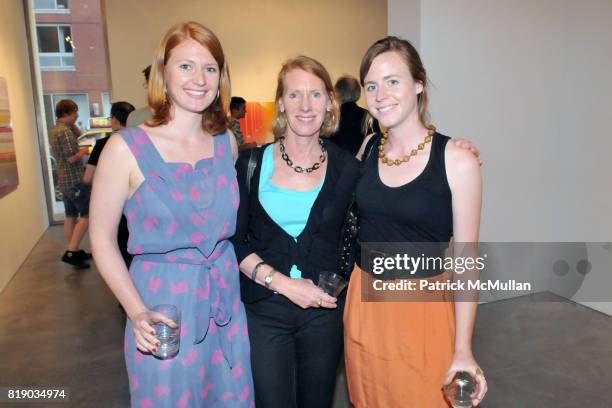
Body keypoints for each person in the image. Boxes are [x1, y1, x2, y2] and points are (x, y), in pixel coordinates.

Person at [90, 22, 254, 407]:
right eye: (185, 66)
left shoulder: (225, 143)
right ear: (163, 72)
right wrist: (136, 311)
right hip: (162, 312)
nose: (199, 79)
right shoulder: (125, 148)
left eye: (210, 68)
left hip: (225, 304)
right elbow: (100, 238)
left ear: (221, 77)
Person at [343, 36, 488, 407]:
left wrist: (463, 349)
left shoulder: (457, 160)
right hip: (364, 308)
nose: (380, 94)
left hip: (422, 313)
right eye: (371, 86)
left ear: (419, 84)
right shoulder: (368, 148)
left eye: (393, 81)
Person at [232, 56, 362, 408]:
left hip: (323, 313)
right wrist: (285, 285)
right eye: (295, 95)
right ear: (281, 105)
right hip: (264, 312)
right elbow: (234, 242)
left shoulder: (349, 169)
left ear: (330, 103)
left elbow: (375, 218)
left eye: (316, 95)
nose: (305, 106)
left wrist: (446, 152)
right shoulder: (251, 165)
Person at [83, 101, 135, 267]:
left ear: (114, 119)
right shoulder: (143, 142)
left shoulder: (103, 144)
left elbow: (87, 178)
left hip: (114, 206)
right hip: (138, 206)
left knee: (118, 250)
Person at [49, 99, 91, 269]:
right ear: (66, 113)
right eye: (75, 112)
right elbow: (71, 158)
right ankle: (72, 251)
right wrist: (84, 151)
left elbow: (80, 135)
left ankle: (73, 249)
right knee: (87, 215)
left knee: (70, 215)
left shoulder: (55, 129)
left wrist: (74, 126)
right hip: (74, 180)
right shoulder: (65, 132)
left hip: (64, 180)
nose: (77, 115)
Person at [330, 75, 377, 156]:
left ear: (337, 93)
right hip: (364, 166)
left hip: (335, 166)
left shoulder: (331, 117)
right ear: (358, 94)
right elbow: (376, 147)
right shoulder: (370, 117)